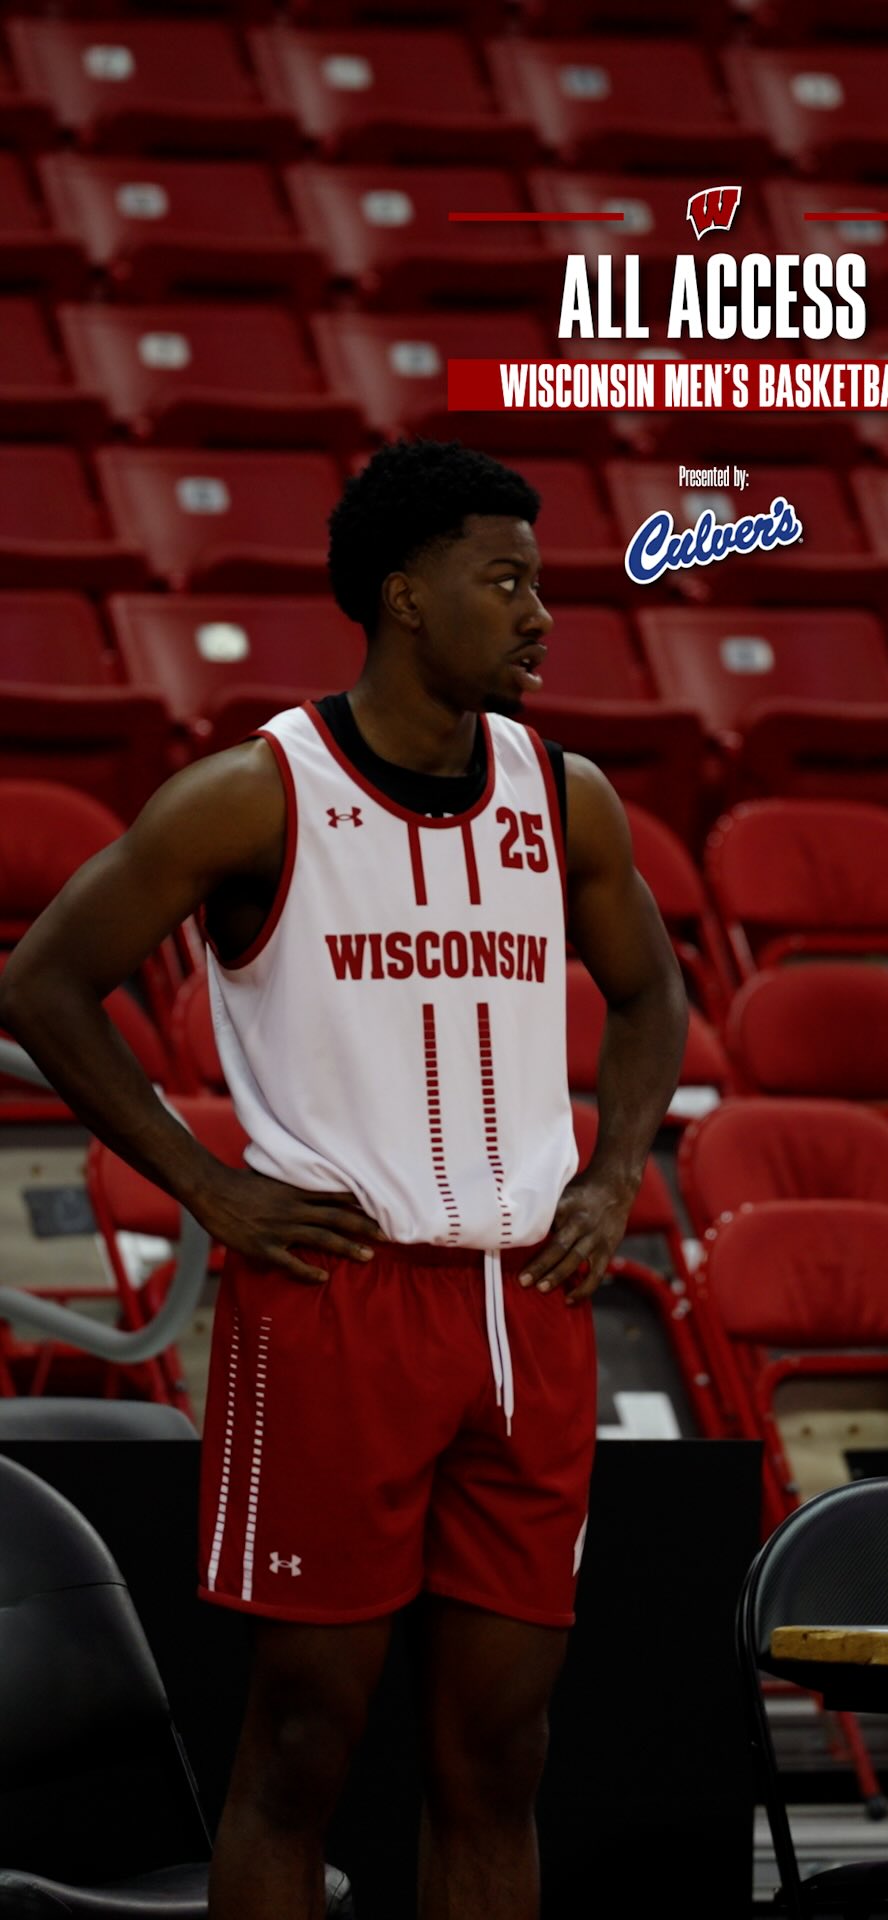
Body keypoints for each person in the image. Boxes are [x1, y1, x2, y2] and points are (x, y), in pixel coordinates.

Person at [0, 437, 688, 1920]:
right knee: (303, 1745)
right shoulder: (253, 795)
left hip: (527, 1305)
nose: (540, 612)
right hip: (335, 1301)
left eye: (540, 580)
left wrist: (615, 1167)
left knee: (500, 1754)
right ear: (403, 595)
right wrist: (208, 1186)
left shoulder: (566, 798)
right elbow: (45, 981)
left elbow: (653, 993)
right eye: (504, 580)